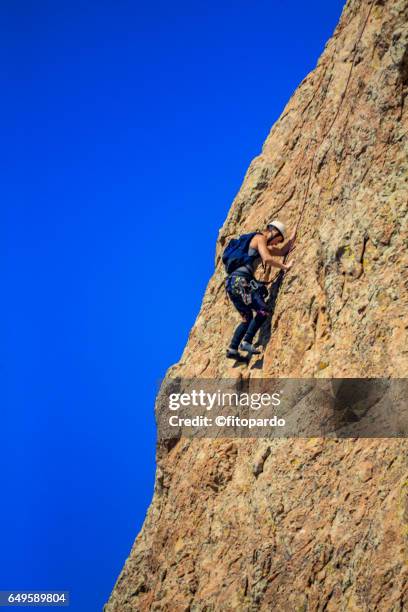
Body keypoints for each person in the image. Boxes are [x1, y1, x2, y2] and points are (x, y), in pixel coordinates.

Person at [224, 220, 295, 359]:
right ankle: (246, 342)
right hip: (242, 281)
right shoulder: (260, 238)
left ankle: (232, 348)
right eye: (277, 240)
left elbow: (281, 251)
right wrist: (285, 267)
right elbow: (268, 259)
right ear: (272, 231)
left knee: (247, 318)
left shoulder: (255, 241)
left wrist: (292, 238)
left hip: (232, 284)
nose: (275, 244)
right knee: (263, 310)